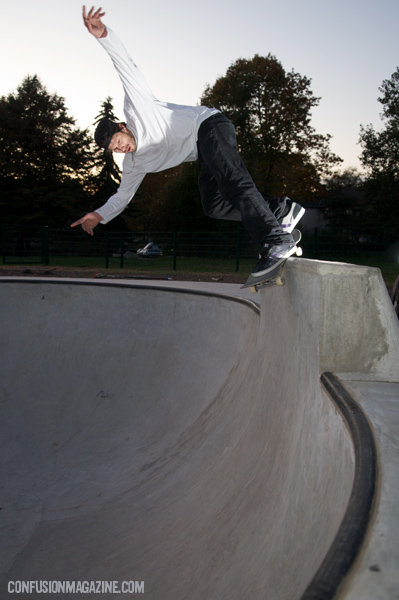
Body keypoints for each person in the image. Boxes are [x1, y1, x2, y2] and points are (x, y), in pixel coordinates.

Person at [71, 6, 305, 278]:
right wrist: (98, 215)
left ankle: (277, 241)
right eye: (115, 150)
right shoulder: (135, 164)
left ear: (122, 127)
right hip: (202, 151)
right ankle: (282, 209)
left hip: (209, 125)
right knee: (214, 205)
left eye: (119, 141)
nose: (121, 149)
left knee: (233, 181)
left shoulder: (139, 107)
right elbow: (122, 197)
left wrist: (104, 36)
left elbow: (126, 65)